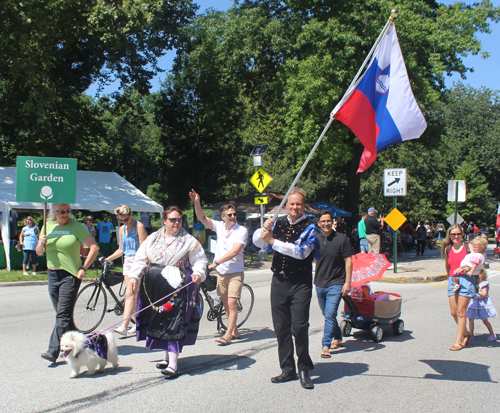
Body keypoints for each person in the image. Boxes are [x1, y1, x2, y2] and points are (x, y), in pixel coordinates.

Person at [128, 206, 207, 378]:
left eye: (179, 219)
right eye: (173, 219)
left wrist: (198, 273)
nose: (177, 223)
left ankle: (173, 364)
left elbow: (200, 260)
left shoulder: (189, 241)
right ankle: (166, 357)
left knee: (173, 322)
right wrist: (134, 277)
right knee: (159, 320)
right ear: (164, 221)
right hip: (154, 285)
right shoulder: (152, 239)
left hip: (177, 286)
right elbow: (141, 258)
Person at [253, 187, 319, 389]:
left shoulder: (310, 227)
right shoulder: (278, 223)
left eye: (298, 204)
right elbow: (258, 244)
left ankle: (304, 368)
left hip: (300, 283)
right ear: (287, 205)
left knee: (299, 326)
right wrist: (262, 230)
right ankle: (287, 369)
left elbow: (300, 252)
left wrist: (272, 240)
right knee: (281, 328)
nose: (295, 207)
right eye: (291, 204)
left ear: (303, 205)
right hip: (279, 281)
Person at [36, 203, 99, 363]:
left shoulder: (76, 226)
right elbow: (39, 252)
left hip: (70, 275)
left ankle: (53, 350)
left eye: (68, 211)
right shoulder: (47, 225)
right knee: (64, 316)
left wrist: (83, 268)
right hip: (52, 274)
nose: (66, 214)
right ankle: (83, 345)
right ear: (54, 212)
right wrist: (41, 242)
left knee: (62, 315)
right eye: (62, 212)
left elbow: (94, 247)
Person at [189, 189, 248, 345]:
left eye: (235, 214)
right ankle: (233, 329)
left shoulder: (242, 231)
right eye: (230, 215)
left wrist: (216, 262)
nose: (233, 217)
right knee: (224, 302)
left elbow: (235, 251)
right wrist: (197, 202)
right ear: (223, 217)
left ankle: (228, 334)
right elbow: (201, 217)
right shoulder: (219, 226)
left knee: (231, 303)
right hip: (222, 273)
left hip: (235, 272)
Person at [314, 210, 352, 359]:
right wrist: (315, 276)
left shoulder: (341, 240)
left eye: (328, 221)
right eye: (323, 221)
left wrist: (347, 282)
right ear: (319, 223)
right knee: (327, 314)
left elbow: (348, 261)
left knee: (330, 314)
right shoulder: (316, 239)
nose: (326, 224)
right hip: (320, 283)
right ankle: (338, 336)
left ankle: (326, 345)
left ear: (333, 222)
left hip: (336, 282)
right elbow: (317, 260)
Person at [105, 204, 147, 336]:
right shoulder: (122, 229)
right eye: (121, 220)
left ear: (130, 215)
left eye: (126, 219)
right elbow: (121, 250)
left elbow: (144, 248)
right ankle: (140, 323)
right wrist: (108, 258)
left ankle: (124, 326)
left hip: (138, 260)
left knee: (130, 294)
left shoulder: (138, 226)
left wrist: (140, 264)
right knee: (133, 298)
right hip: (128, 261)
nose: (124, 222)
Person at [441, 224, 474, 351]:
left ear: (462, 234)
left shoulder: (468, 247)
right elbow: (447, 266)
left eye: (458, 234)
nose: (456, 236)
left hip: (466, 280)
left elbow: (476, 263)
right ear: (449, 235)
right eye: (453, 234)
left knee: (461, 311)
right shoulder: (448, 249)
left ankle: (458, 341)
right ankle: (466, 333)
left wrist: (467, 268)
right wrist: (449, 278)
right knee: (453, 312)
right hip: (452, 280)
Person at [466, 269, 497, 341]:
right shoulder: (473, 283)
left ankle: (492, 334)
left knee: (484, 319)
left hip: (482, 303)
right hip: (474, 302)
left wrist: (476, 291)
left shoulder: (484, 283)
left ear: (482, 276)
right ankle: (471, 334)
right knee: (470, 318)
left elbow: (483, 294)